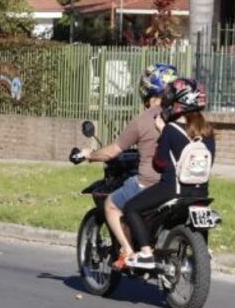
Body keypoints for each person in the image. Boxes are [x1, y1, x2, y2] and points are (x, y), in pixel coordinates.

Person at [80, 64, 179, 270]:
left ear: (146, 91)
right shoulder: (181, 116)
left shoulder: (142, 120)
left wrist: (90, 155)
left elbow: (114, 150)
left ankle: (127, 251)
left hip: (150, 182)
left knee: (111, 204)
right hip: (179, 183)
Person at [122, 78, 216, 269]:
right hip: (201, 193)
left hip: (172, 189)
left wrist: (162, 131)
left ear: (179, 102)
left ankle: (146, 253)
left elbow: (159, 163)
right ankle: (203, 251)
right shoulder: (208, 132)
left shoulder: (171, 130)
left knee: (131, 208)